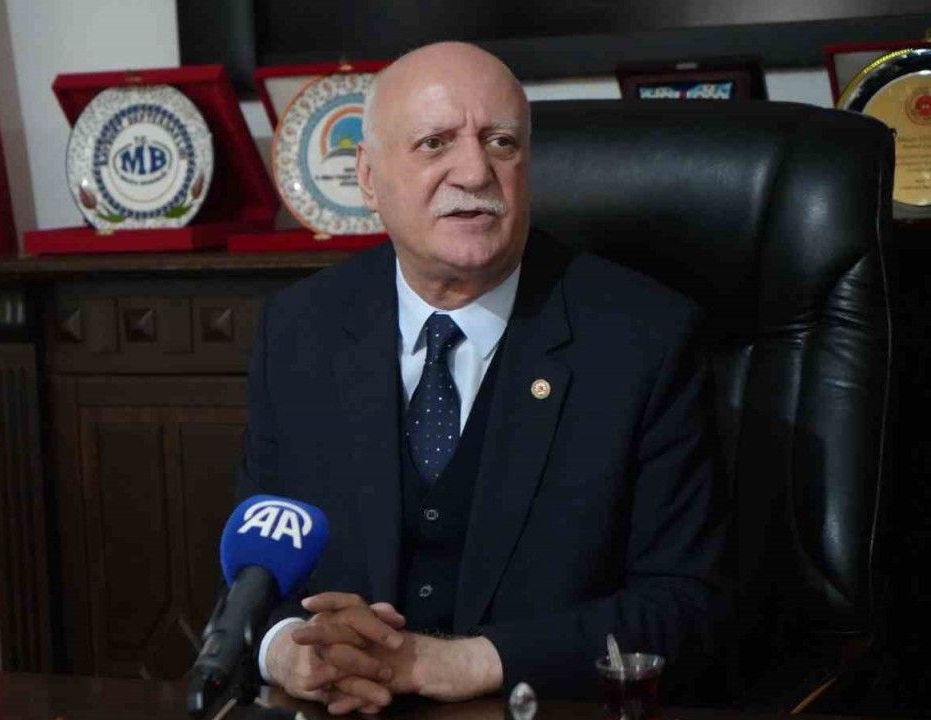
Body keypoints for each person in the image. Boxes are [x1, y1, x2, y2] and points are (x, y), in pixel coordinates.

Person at [236, 41, 727, 715]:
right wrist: (287, 651)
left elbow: (686, 606)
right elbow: (255, 573)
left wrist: (464, 662)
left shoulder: (643, 340)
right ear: (369, 178)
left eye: (501, 143)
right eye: (434, 143)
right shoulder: (299, 330)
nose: (474, 171)